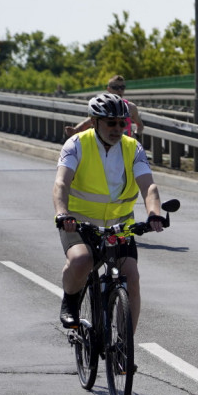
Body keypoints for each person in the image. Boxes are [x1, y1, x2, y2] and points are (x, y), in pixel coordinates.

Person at [53, 93, 164, 336]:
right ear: (94, 121)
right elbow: (61, 184)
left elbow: (149, 186)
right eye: (110, 123)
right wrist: (62, 214)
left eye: (122, 123)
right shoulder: (76, 145)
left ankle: (125, 345)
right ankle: (70, 302)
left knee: (131, 277)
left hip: (120, 226)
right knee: (82, 261)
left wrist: (154, 213)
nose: (117, 129)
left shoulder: (132, 148)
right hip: (80, 224)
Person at [65, 75, 144, 138]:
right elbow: (87, 123)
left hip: (125, 149)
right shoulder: (102, 107)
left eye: (122, 87)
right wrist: (75, 130)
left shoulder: (131, 107)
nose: (119, 90)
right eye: (116, 87)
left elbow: (140, 125)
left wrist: (136, 135)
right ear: (109, 89)